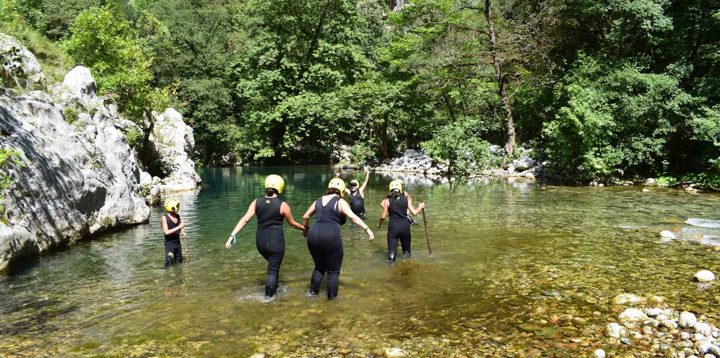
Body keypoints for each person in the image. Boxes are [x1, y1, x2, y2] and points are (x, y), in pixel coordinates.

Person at [224, 174, 305, 298]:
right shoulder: (282, 204)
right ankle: (269, 299)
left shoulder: (256, 202)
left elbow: (245, 219)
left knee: (273, 266)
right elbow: (293, 224)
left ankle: (273, 290)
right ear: (280, 187)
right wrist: (306, 229)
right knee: (273, 270)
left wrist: (231, 236)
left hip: (260, 243)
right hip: (275, 243)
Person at [302, 178, 374, 299]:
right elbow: (352, 217)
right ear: (341, 190)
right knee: (333, 273)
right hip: (330, 236)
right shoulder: (340, 202)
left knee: (319, 267)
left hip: (313, 235)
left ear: (329, 188)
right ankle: (332, 301)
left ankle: (312, 294)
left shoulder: (318, 200)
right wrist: (367, 229)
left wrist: (305, 229)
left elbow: (305, 216)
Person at [378, 180, 425, 262]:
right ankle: (406, 268)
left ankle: (391, 269)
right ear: (400, 189)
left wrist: (380, 224)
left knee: (391, 254)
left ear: (390, 189)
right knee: (407, 253)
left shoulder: (387, 201)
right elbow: (414, 212)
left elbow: (383, 216)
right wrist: (420, 207)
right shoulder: (406, 199)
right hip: (405, 226)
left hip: (393, 227)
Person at [161, 198, 186, 267]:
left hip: (177, 243)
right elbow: (166, 232)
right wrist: (179, 227)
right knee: (169, 262)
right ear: (172, 207)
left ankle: (178, 276)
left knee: (179, 261)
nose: (178, 207)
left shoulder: (177, 216)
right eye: (177, 206)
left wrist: (182, 231)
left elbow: (179, 232)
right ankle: (169, 276)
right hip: (169, 244)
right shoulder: (164, 218)